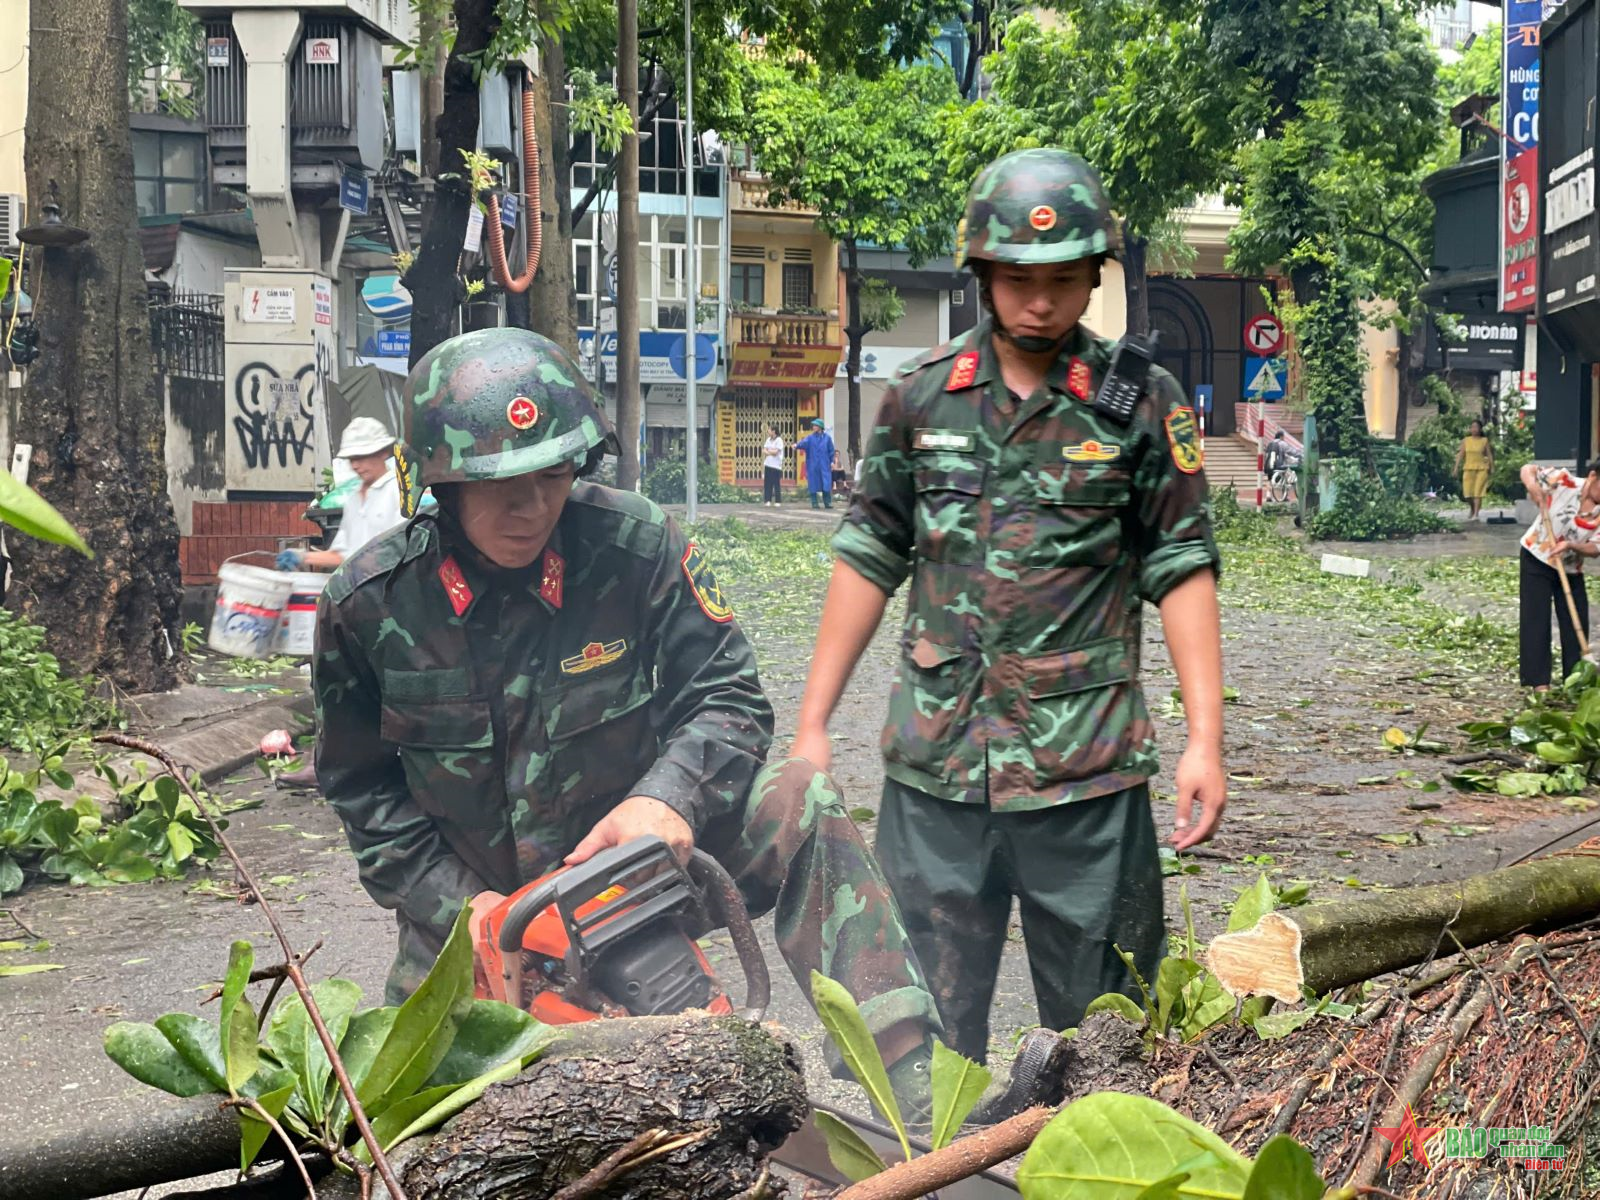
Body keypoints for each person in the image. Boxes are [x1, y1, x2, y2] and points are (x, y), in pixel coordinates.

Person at [313, 328, 945, 1117]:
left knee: (801, 803)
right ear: (443, 484)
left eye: (551, 473)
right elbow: (359, 787)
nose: (532, 505)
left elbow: (729, 695)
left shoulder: (634, 546)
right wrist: (462, 909)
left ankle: (909, 1081)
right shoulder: (368, 605)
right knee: (414, 1140)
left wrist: (670, 798)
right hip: (478, 929)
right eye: (501, 484)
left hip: (639, 876)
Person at [791, 148, 1227, 1063]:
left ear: (1094, 275)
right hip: (937, 779)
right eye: (1020, 280)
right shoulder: (919, 398)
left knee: (1110, 1042)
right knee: (923, 1047)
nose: (1042, 302)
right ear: (982, 273)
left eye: (1066, 280)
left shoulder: (1138, 403)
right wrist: (812, 724)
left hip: (1088, 778)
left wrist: (1204, 741)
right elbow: (869, 554)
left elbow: (1182, 564)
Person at [277, 417, 405, 572]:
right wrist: (302, 556)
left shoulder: (398, 493)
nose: (356, 465)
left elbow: (400, 552)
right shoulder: (353, 501)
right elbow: (342, 555)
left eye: (361, 457)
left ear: (383, 452)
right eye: (352, 459)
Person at [1519, 461, 1600, 689]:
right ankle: (1538, 683)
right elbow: (1528, 469)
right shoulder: (1565, 481)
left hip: (1571, 567)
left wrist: (1572, 545)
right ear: (1593, 476)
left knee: (1576, 620)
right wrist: (1533, 487)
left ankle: (1574, 680)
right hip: (1537, 556)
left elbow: (1596, 548)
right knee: (1536, 619)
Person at [1455, 418, 1494, 520]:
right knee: (1467, 494)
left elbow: (1489, 455)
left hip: (1482, 469)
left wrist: (1492, 467)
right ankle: (1472, 508)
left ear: (1480, 429)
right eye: (1472, 427)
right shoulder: (1466, 441)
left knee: (1478, 492)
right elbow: (1460, 455)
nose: (1474, 429)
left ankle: (1476, 514)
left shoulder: (1484, 441)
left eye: (1476, 427)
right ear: (1469, 429)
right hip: (1468, 468)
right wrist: (1455, 468)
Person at [796, 418, 836, 509]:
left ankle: (827, 502)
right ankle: (814, 502)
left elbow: (831, 451)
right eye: (813, 426)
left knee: (826, 483)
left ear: (820, 427)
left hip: (824, 464)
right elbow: (803, 443)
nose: (814, 427)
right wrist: (796, 445)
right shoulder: (810, 438)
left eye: (816, 426)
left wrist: (832, 462)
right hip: (813, 465)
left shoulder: (827, 438)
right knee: (813, 483)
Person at [761, 424, 785, 507]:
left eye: (769, 430)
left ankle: (778, 501)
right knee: (767, 483)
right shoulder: (768, 439)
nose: (768, 431)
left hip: (776, 466)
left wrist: (769, 451)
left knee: (776, 484)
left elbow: (776, 453)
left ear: (773, 431)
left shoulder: (779, 440)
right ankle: (767, 500)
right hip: (768, 464)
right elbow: (764, 450)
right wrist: (771, 451)